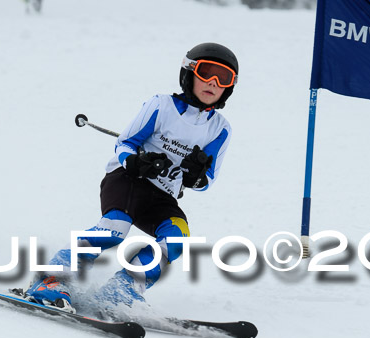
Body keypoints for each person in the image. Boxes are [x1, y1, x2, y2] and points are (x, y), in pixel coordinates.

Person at [22, 42, 239, 313]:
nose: (214, 83)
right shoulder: (161, 106)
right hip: (126, 179)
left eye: (225, 78)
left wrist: (195, 177)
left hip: (162, 196)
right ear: (188, 73)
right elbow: (125, 144)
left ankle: (120, 292)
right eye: (207, 72)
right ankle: (53, 279)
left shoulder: (220, 130)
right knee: (115, 229)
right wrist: (136, 162)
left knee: (177, 238)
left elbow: (207, 180)